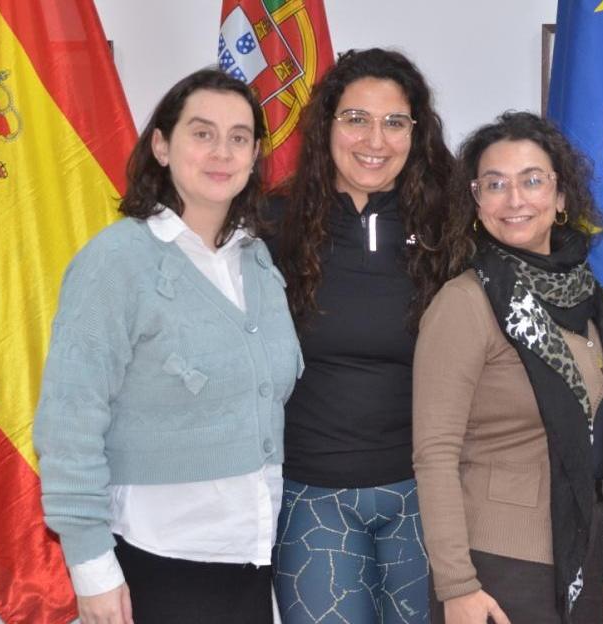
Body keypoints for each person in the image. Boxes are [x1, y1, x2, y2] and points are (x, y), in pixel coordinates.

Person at [33, 68, 300, 624]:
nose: (221, 152)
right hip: (156, 560)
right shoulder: (116, 262)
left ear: (255, 156)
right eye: (202, 133)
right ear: (161, 145)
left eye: (239, 137)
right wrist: (91, 566)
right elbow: (69, 421)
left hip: (252, 559)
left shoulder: (256, 258)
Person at [413, 111, 603, 624]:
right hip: (497, 569)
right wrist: (457, 585)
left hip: (580, 560)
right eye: (495, 184)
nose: (514, 199)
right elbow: (434, 454)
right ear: (476, 203)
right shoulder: (464, 303)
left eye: (532, 180)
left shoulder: (590, 298)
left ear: (561, 198)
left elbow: (602, 438)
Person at [263, 48, 454, 624]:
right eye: (356, 119)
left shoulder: (451, 227)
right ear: (326, 125)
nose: (375, 140)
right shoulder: (271, 225)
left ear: (416, 133)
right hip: (311, 495)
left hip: (425, 496)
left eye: (394, 122)